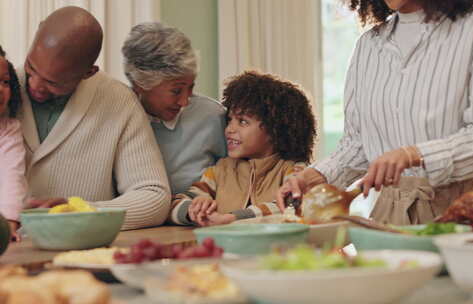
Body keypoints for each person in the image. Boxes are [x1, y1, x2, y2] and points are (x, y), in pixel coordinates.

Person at [278, 0, 473, 225]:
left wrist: (415, 154)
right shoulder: (368, 46)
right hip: (391, 213)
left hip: (468, 208)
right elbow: (359, 144)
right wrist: (316, 176)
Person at [18, 7, 170, 229]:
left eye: (54, 83)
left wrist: (81, 213)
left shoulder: (119, 102)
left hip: (83, 252)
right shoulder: (4, 86)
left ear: (89, 72)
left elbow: (154, 197)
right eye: (31, 67)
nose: (34, 86)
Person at [170, 71, 317, 226]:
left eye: (243, 121)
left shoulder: (294, 171)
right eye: (230, 120)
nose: (229, 129)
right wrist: (194, 209)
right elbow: (174, 204)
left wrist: (232, 219)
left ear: (275, 130)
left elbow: (287, 206)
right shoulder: (219, 171)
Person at [122, 22, 227, 195]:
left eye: (191, 88)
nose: (185, 101)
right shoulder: (118, 119)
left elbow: (242, 176)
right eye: (176, 91)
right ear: (140, 84)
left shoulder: (212, 116)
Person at [0, 45, 26, 241]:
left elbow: (12, 177)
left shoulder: (9, 130)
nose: (0, 89)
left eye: (5, 82)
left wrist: (8, 225)